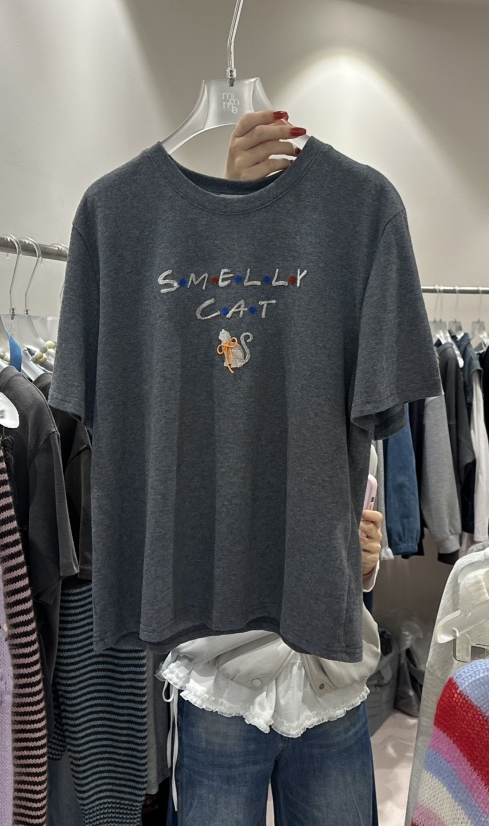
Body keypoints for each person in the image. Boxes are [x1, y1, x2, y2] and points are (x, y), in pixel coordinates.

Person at [160, 153, 385, 811]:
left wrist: (363, 563)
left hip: (330, 677)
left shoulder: (340, 344)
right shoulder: (196, 332)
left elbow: (359, 500)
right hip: (224, 677)